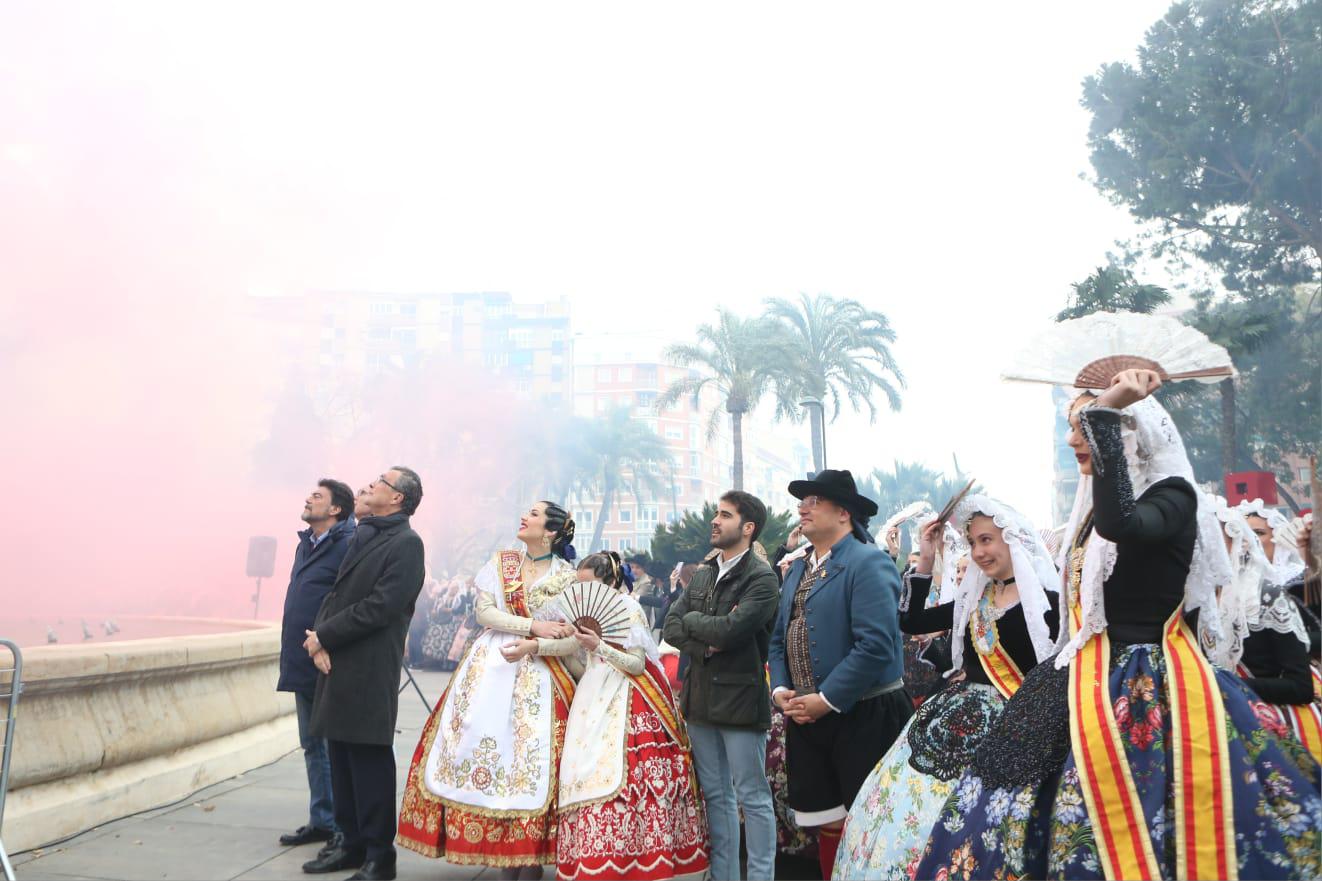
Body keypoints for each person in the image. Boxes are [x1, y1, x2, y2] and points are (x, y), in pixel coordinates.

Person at [914, 371, 1321, 880]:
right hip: (1078, 678)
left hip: (1147, 683)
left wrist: (1105, 411)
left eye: (1083, 426)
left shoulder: (1173, 495)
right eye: (1074, 425)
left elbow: (1123, 523)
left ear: (1126, 428)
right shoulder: (1092, 513)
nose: (1072, 439)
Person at [834, 497, 1060, 880]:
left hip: (1019, 730)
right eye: (973, 543)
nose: (979, 552)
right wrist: (925, 554)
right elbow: (912, 620)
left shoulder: (1050, 605)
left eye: (987, 540)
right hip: (951, 723)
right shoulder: (973, 602)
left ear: (1013, 539)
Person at [396, 502, 579, 879]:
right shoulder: (502, 563)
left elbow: (568, 634)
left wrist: (539, 638)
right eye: (524, 510)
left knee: (533, 765)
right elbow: (484, 613)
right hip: (490, 667)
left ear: (551, 531)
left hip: (542, 676)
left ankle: (529, 856)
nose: (524, 516)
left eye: (533, 513)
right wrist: (532, 625)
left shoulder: (568, 577)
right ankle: (499, 853)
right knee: (484, 753)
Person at [504, 551, 708, 880]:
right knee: (581, 775)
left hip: (625, 694)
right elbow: (570, 646)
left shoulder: (628, 608)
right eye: (579, 585)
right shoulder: (582, 615)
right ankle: (593, 862)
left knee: (622, 778)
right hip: (591, 690)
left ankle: (631, 863)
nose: (582, 592)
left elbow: (636, 664)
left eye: (589, 584)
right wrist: (533, 647)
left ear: (609, 581)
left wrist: (599, 646)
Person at [768, 469, 912, 880]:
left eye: (814, 501)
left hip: (865, 715)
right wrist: (781, 690)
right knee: (827, 826)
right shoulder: (796, 569)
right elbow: (778, 640)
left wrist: (826, 699)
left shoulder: (869, 563)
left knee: (873, 827)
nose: (802, 507)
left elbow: (876, 645)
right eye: (803, 500)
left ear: (844, 513)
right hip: (807, 716)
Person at [301, 467, 426, 881]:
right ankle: (350, 843)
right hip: (340, 661)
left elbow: (382, 606)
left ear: (397, 499)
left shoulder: (407, 543)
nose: (370, 485)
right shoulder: (364, 533)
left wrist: (326, 636)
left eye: (381, 482)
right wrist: (319, 639)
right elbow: (336, 595)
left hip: (369, 664)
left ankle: (379, 855)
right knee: (340, 756)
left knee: (369, 760)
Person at [663, 491, 782, 881]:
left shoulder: (762, 578)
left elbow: (732, 632)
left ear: (747, 528)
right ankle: (724, 875)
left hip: (740, 700)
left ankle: (761, 876)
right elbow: (670, 626)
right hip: (698, 699)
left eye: (725, 515)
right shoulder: (703, 573)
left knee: (753, 796)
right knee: (716, 796)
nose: (715, 520)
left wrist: (699, 624)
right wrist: (706, 637)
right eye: (716, 513)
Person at [277, 479, 355, 853]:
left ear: (336, 509)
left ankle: (341, 826)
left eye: (317, 497)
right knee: (311, 743)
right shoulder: (305, 542)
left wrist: (325, 640)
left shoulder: (348, 544)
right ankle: (322, 820)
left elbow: (346, 600)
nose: (308, 499)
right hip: (300, 656)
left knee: (329, 746)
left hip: (325, 657)